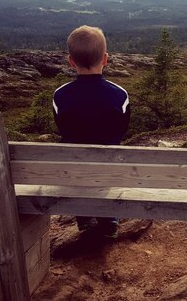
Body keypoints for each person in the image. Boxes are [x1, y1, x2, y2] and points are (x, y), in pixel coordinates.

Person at [52, 25, 130, 239]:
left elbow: (63, 128)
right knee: (109, 161)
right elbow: (121, 129)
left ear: (71, 61)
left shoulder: (60, 96)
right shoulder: (119, 95)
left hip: (73, 170)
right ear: (105, 59)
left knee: (74, 160)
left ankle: (84, 216)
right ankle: (110, 220)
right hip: (109, 167)